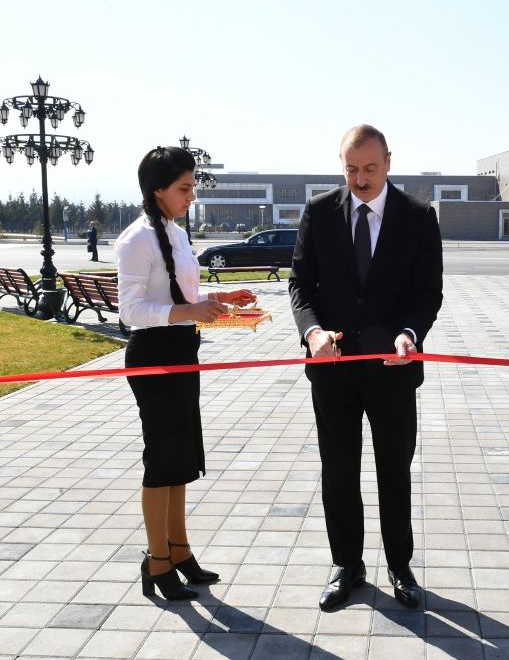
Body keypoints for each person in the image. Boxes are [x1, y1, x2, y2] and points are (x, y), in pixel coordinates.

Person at [289, 125, 443, 610]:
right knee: (338, 471)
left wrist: (410, 334)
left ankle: (400, 566)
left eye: (370, 168)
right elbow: (300, 285)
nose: (360, 178)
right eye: (351, 168)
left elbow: (427, 293)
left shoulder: (418, 218)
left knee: (393, 471)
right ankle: (347, 565)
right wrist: (312, 333)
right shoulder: (318, 213)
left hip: (393, 371)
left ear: (389, 162)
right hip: (332, 369)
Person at [116, 146, 256, 600]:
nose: (192, 194)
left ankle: (179, 551)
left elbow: (185, 295)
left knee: (180, 457)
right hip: (153, 355)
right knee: (161, 459)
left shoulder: (175, 233)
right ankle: (156, 560)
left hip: (181, 351)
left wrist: (222, 298)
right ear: (157, 190)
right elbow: (131, 311)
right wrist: (188, 310)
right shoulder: (137, 239)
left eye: (193, 186)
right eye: (184, 187)